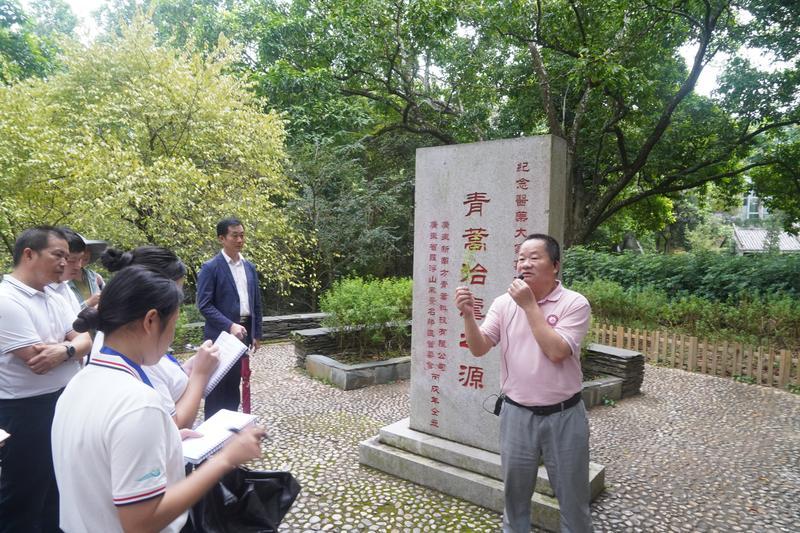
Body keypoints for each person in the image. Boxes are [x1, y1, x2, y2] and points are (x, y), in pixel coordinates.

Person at [51, 266, 265, 532]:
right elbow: (141, 522)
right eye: (173, 324)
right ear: (151, 321)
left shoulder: (79, 383)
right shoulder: (138, 404)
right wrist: (226, 459)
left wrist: (168, 440)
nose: (172, 336)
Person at [455, 234, 593, 533]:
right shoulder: (504, 304)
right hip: (516, 415)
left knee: (574, 501)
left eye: (534, 257)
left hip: (565, 416)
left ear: (555, 265)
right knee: (515, 500)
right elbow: (479, 347)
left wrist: (530, 305)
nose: (525, 264)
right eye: (521, 258)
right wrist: (468, 317)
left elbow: (557, 351)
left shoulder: (574, 303)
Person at [0, 226, 92, 532]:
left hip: (63, 398)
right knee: (24, 494)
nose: (65, 263)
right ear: (29, 254)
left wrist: (65, 349)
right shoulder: (7, 300)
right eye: (58, 255)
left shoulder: (53, 294)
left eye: (67, 256)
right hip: (25, 410)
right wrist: (72, 347)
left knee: (57, 487)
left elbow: (85, 339)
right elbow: (37, 361)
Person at [99, 246, 220, 428]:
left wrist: (190, 368)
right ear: (151, 319)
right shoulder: (142, 390)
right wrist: (200, 374)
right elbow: (172, 427)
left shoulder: (117, 345)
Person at [197, 217, 262, 419]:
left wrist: (256, 333)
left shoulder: (249, 267)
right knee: (217, 388)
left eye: (242, 235)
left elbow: (256, 303)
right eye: (234, 236)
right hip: (220, 337)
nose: (240, 240)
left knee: (234, 387)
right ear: (221, 238)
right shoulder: (211, 268)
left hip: (243, 333)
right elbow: (204, 305)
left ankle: (230, 429)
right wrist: (229, 325)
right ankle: (212, 431)